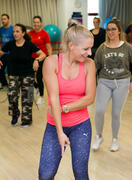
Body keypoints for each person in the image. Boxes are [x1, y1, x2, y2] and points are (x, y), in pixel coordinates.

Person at [38, 24, 96, 180]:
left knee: (80, 173)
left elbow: (90, 98)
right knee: (45, 174)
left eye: (90, 48)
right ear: (71, 45)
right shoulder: (51, 62)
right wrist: (59, 132)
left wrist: (65, 108)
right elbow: (53, 97)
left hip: (81, 125)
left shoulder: (89, 65)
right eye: (85, 49)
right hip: (54, 125)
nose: (89, 53)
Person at [92, 19, 132, 152]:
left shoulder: (127, 47)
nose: (111, 32)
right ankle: (99, 135)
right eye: (108, 29)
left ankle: (115, 139)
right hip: (104, 81)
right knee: (99, 110)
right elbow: (94, 67)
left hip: (122, 82)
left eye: (113, 29)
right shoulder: (102, 48)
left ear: (119, 30)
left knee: (115, 113)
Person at [0, 24, 45, 127]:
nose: (15, 34)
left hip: (28, 75)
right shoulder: (10, 44)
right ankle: (15, 114)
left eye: (17, 31)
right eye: (14, 32)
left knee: (27, 98)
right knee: (12, 96)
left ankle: (26, 120)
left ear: (23, 33)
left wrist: (36, 60)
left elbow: (43, 54)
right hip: (13, 75)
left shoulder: (29, 45)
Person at [28, 16, 52, 105]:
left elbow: (48, 47)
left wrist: (49, 58)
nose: (36, 24)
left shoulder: (44, 33)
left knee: (39, 77)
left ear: (41, 23)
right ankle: (35, 89)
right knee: (29, 77)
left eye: (37, 22)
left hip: (42, 58)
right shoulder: (30, 33)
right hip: (31, 58)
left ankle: (41, 97)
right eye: (34, 22)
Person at [0, 14, 14, 91]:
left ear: (8, 19)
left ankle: (12, 86)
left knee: (11, 71)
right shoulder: (1, 30)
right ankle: (4, 85)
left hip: (11, 54)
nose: (3, 21)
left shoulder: (13, 29)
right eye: (2, 19)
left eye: (4, 19)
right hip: (3, 53)